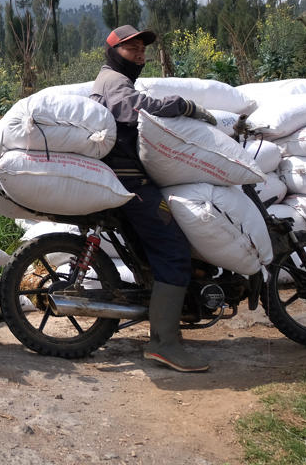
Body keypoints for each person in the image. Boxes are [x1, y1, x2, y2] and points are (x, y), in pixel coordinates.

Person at [90, 24, 218, 373]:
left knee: (164, 248)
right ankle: (164, 343)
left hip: (131, 177)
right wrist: (183, 106)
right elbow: (135, 107)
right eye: (131, 49)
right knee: (173, 251)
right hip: (131, 183)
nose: (140, 54)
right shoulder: (114, 81)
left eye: (143, 48)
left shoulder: (117, 78)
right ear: (114, 51)